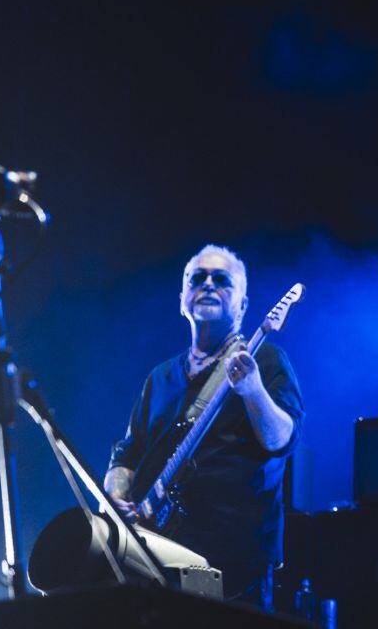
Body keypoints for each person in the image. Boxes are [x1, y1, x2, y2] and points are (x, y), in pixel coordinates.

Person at [104, 244, 304, 609]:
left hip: (234, 566)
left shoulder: (268, 359)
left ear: (243, 305)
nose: (208, 285)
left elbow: (282, 440)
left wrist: (253, 389)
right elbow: (127, 452)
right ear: (183, 300)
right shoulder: (160, 378)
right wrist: (117, 498)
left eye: (222, 280)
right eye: (197, 279)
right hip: (157, 560)